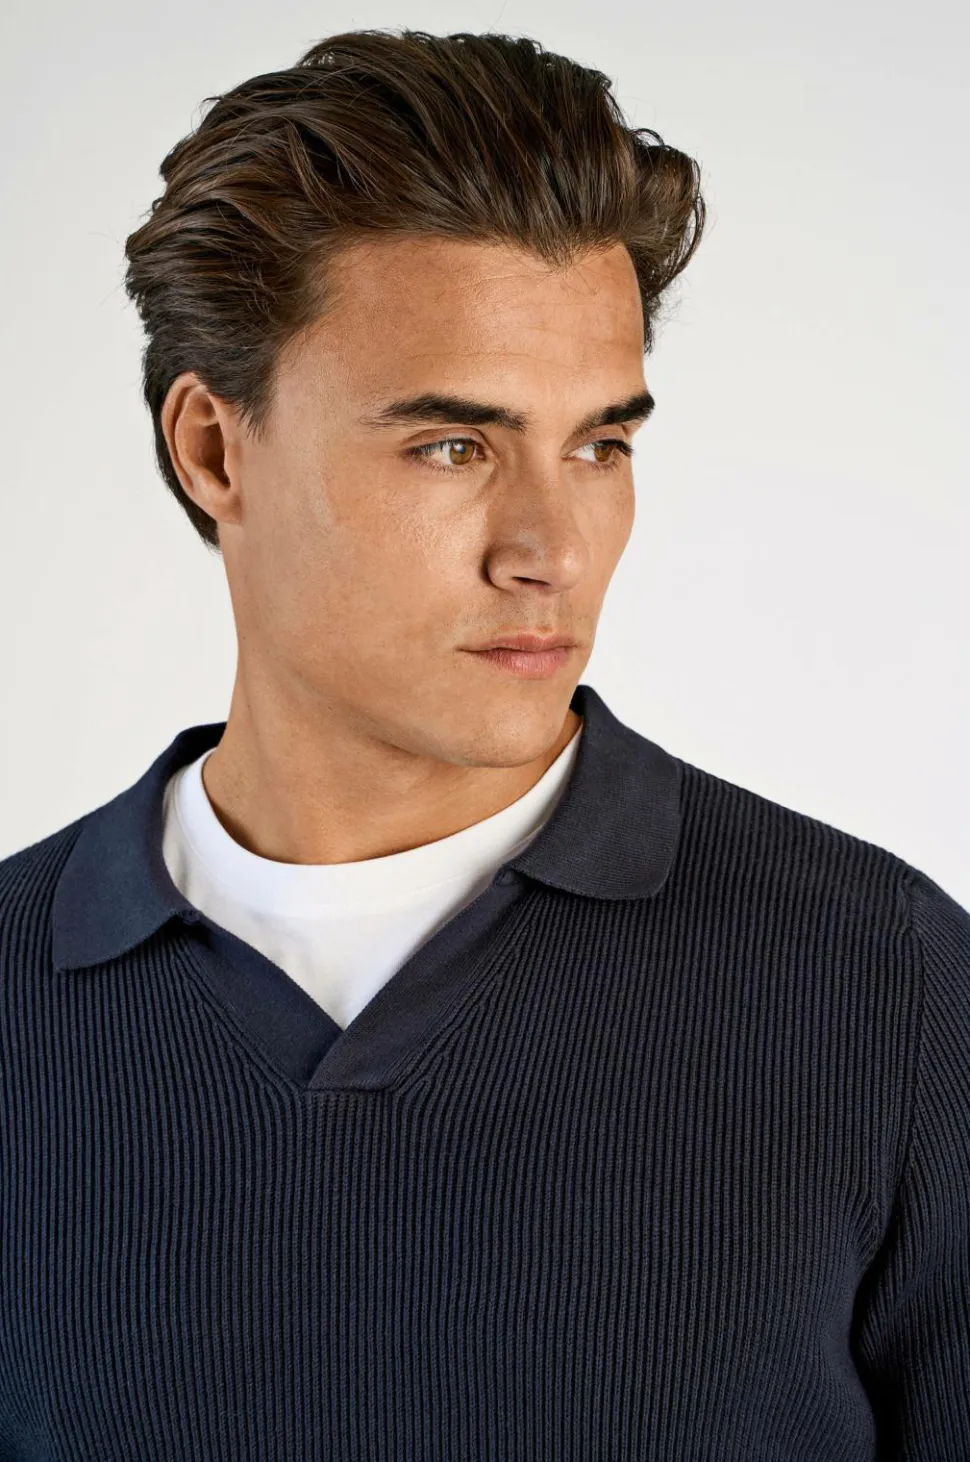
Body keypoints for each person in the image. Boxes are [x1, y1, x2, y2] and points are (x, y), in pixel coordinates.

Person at [1, 27, 967, 1461]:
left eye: (599, 445)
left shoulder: (886, 983)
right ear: (213, 448)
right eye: (454, 446)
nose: (550, 550)